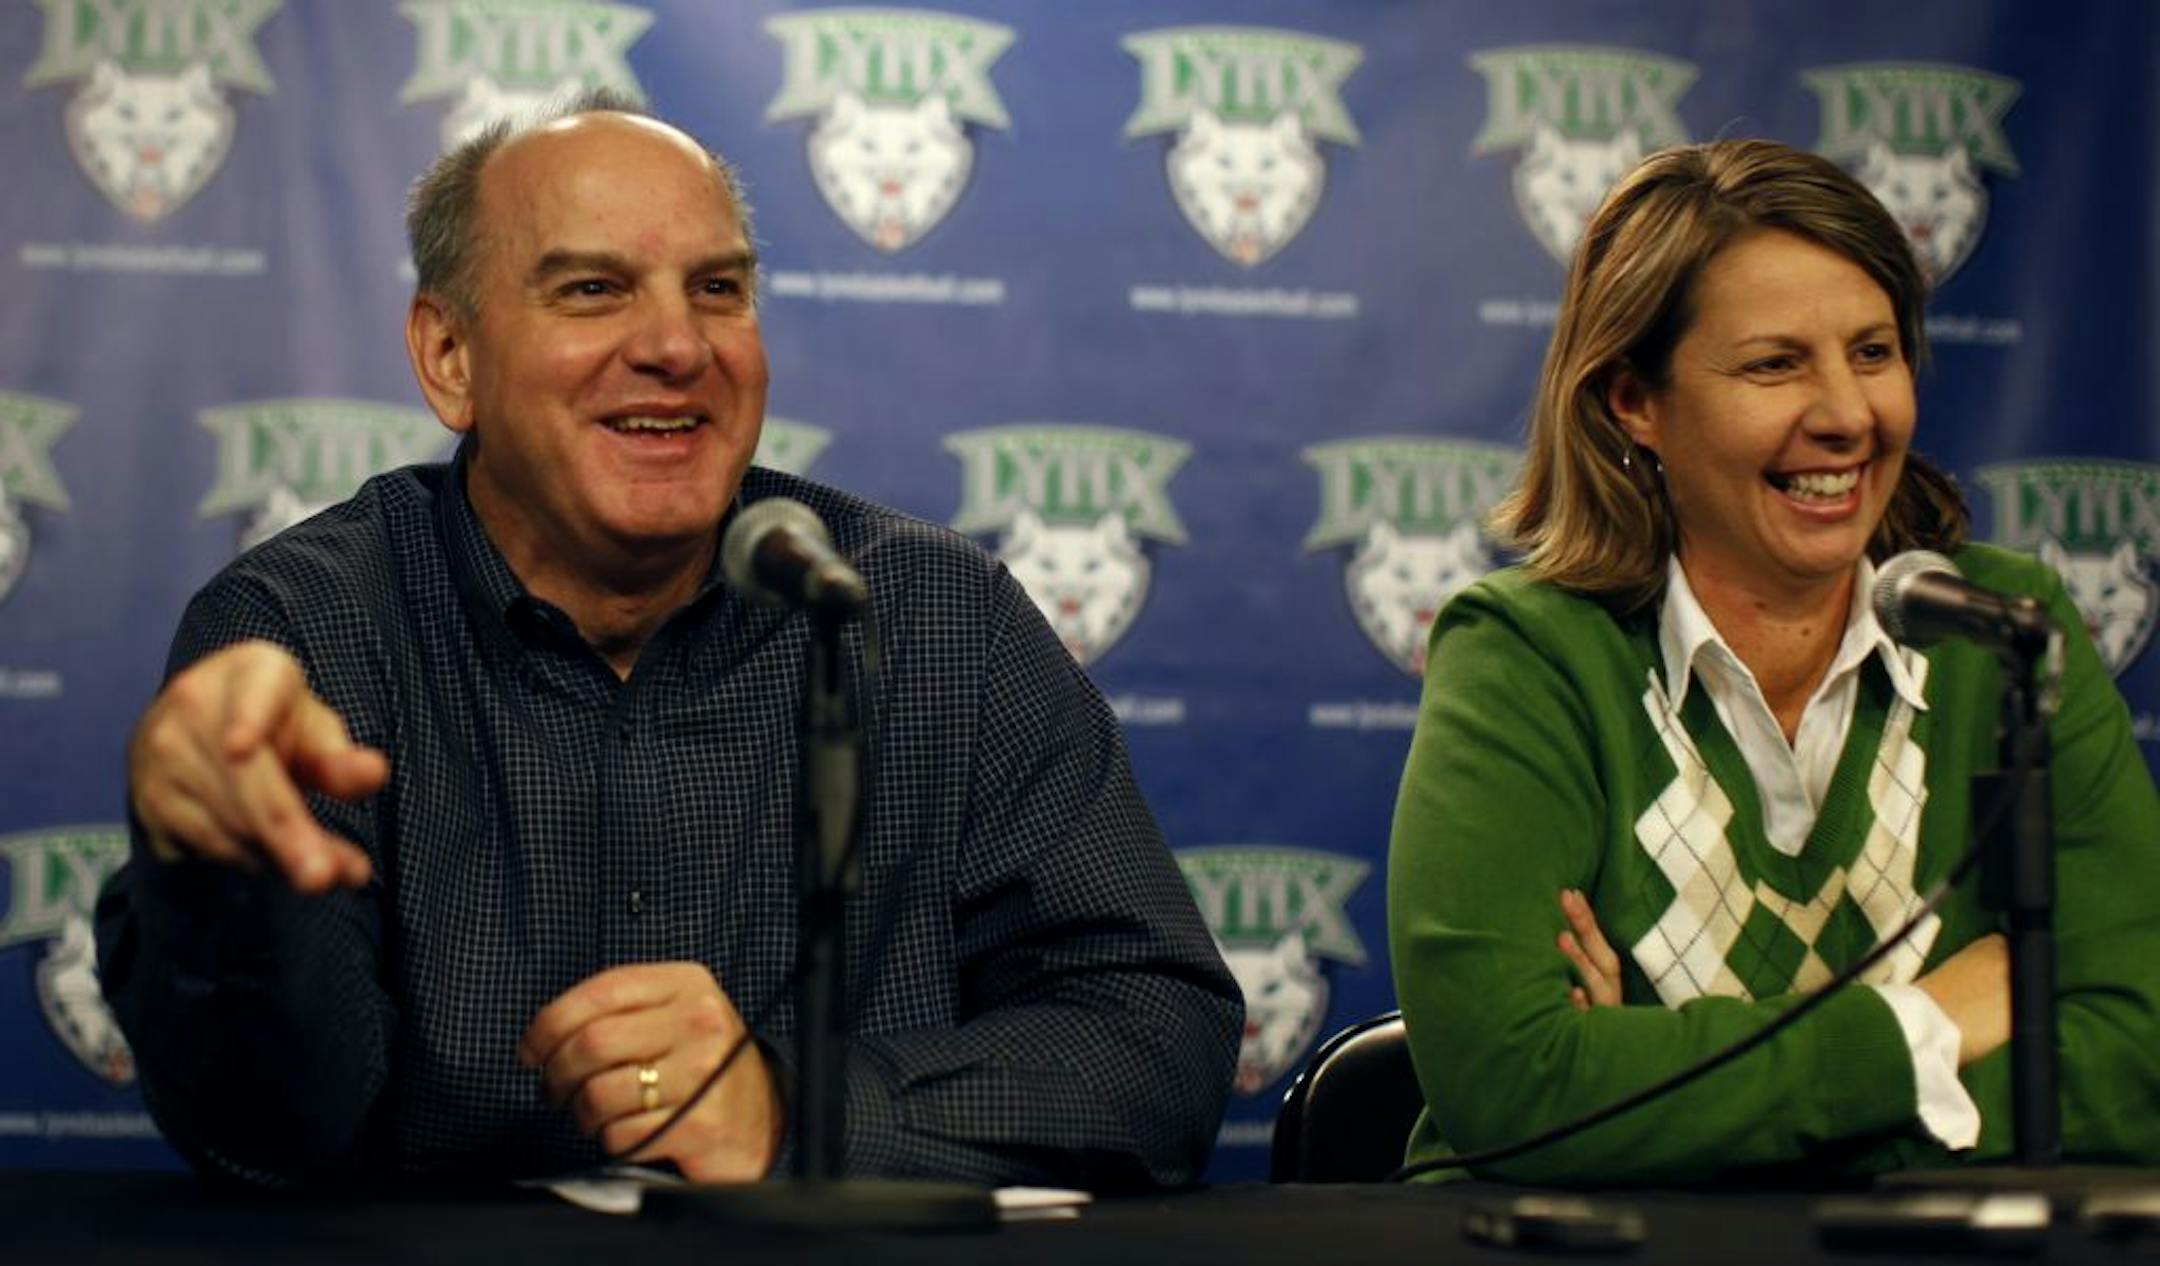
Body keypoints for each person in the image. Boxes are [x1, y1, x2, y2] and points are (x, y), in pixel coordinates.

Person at [95, 93, 1241, 1188]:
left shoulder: (934, 617)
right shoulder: (305, 635)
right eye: (592, 289)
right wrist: (214, 882)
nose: (676, 346)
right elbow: (269, 1136)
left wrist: (798, 1112)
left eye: (719, 289)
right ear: (451, 359)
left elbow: (1157, 1038)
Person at [1388, 138, 2160, 1184]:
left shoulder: (2007, 633)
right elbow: (1520, 1090)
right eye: (1775, 363)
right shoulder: (1529, 655)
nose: (1847, 415)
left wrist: (1676, 1104)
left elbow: (2139, 1060)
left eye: (1874, 353)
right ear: (1633, 401)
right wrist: (1930, 1024)